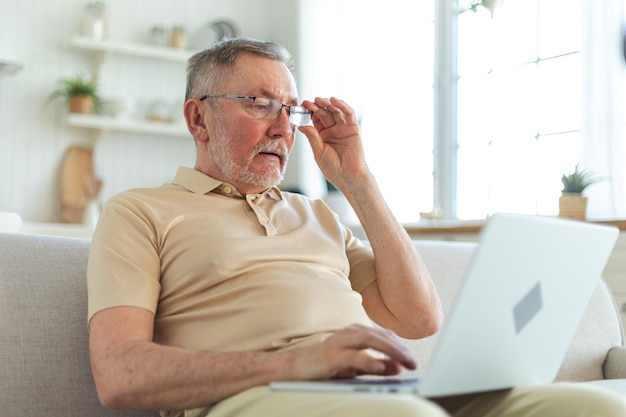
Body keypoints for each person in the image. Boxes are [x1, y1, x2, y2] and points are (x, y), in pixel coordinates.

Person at [87, 37, 626, 417]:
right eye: (259, 104)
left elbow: (418, 318)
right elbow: (118, 374)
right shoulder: (139, 212)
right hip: (254, 399)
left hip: (369, 395)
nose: (283, 127)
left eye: (291, 110)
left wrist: (359, 183)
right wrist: (301, 364)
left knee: (591, 405)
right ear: (198, 118)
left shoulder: (318, 215)